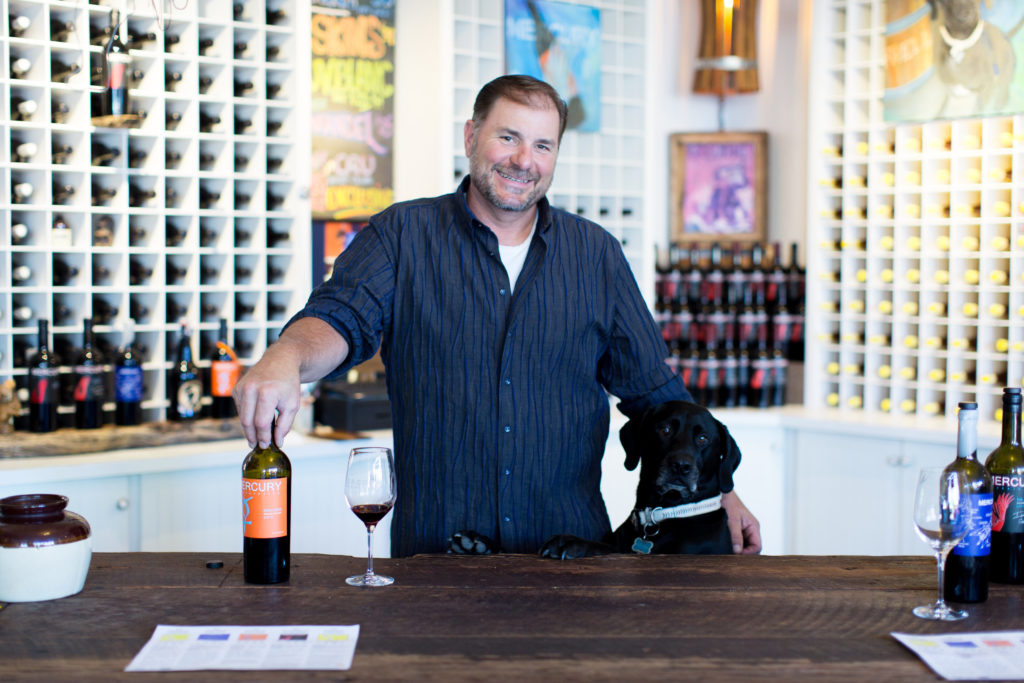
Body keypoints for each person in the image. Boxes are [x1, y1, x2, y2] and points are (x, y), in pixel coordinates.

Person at [234, 75, 762, 557]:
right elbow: (340, 316)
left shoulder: (595, 255)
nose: (523, 160)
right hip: (436, 562)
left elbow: (656, 393)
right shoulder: (402, 236)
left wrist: (722, 493)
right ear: (471, 137)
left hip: (570, 562)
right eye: (507, 137)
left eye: (542, 145)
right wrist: (286, 356)